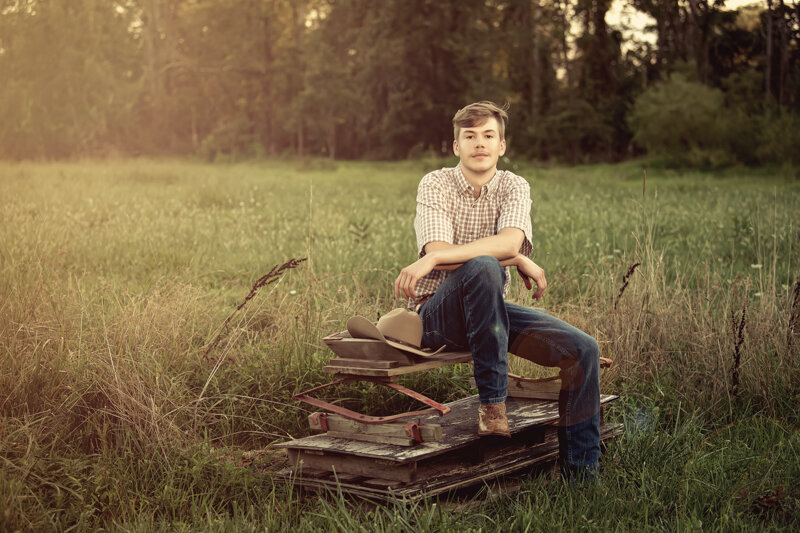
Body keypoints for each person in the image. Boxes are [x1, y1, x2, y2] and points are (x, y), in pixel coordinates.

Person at [393, 101, 602, 479]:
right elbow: (443, 253)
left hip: (490, 315)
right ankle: (493, 404)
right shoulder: (435, 182)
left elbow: (507, 244)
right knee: (486, 264)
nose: (479, 143)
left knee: (583, 350)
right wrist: (509, 257)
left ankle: (582, 473)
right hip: (438, 319)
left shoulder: (513, 185)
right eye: (469, 136)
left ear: (501, 145)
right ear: (455, 146)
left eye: (488, 135)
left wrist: (511, 255)